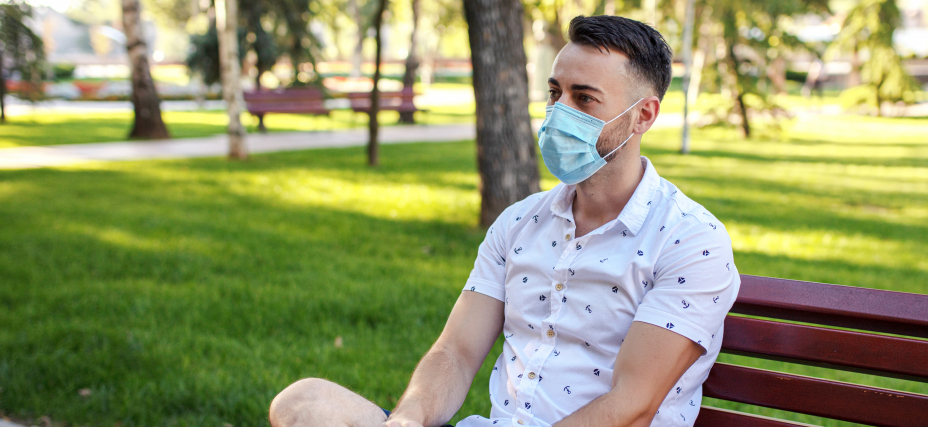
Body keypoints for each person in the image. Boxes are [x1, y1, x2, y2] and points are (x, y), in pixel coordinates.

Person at [269, 15, 738, 427]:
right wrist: (409, 416)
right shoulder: (519, 223)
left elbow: (630, 408)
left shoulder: (690, 241)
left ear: (643, 116)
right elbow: (455, 352)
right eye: (554, 93)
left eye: (584, 99)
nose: (558, 113)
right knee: (304, 402)